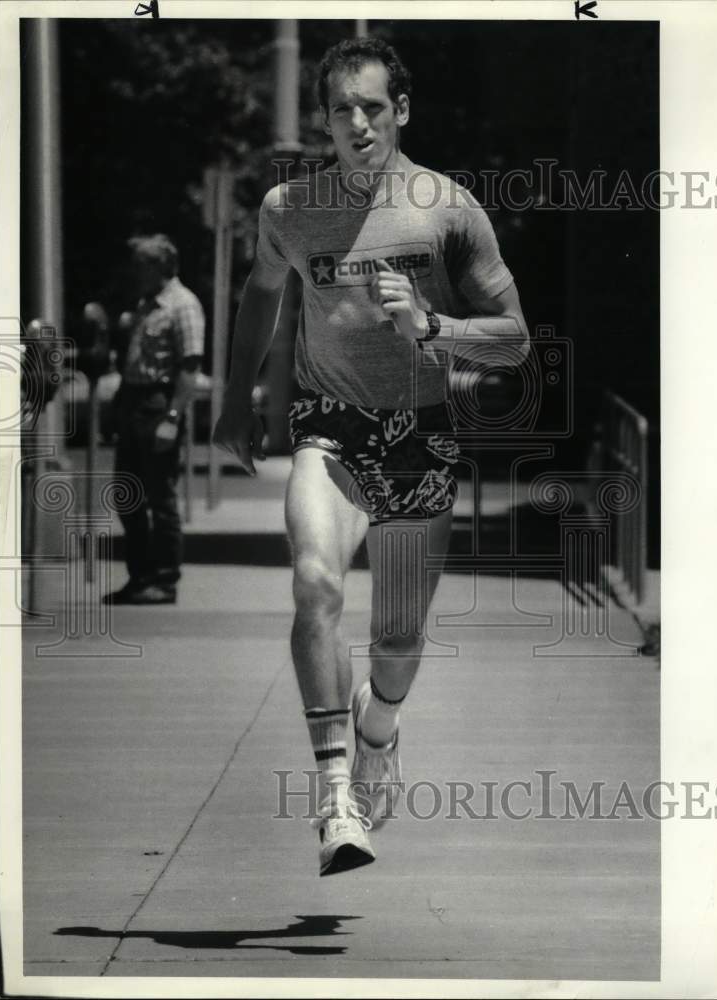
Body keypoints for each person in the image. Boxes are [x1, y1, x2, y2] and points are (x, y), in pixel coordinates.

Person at [213, 38, 529, 875]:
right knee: (315, 580)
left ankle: (379, 729)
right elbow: (259, 293)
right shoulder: (289, 208)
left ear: (402, 111)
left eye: (373, 107)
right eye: (342, 108)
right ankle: (335, 797)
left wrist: (432, 324)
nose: (357, 122)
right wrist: (235, 402)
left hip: (419, 434)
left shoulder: (448, 209)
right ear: (323, 118)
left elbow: (515, 342)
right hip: (331, 428)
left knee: (396, 642)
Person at [104, 234, 205, 606]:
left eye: (141, 266)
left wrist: (173, 417)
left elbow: (190, 367)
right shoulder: (146, 305)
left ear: (160, 267)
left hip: (158, 404)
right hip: (133, 402)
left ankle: (164, 580)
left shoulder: (183, 305)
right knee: (127, 494)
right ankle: (139, 576)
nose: (135, 273)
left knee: (160, 497)